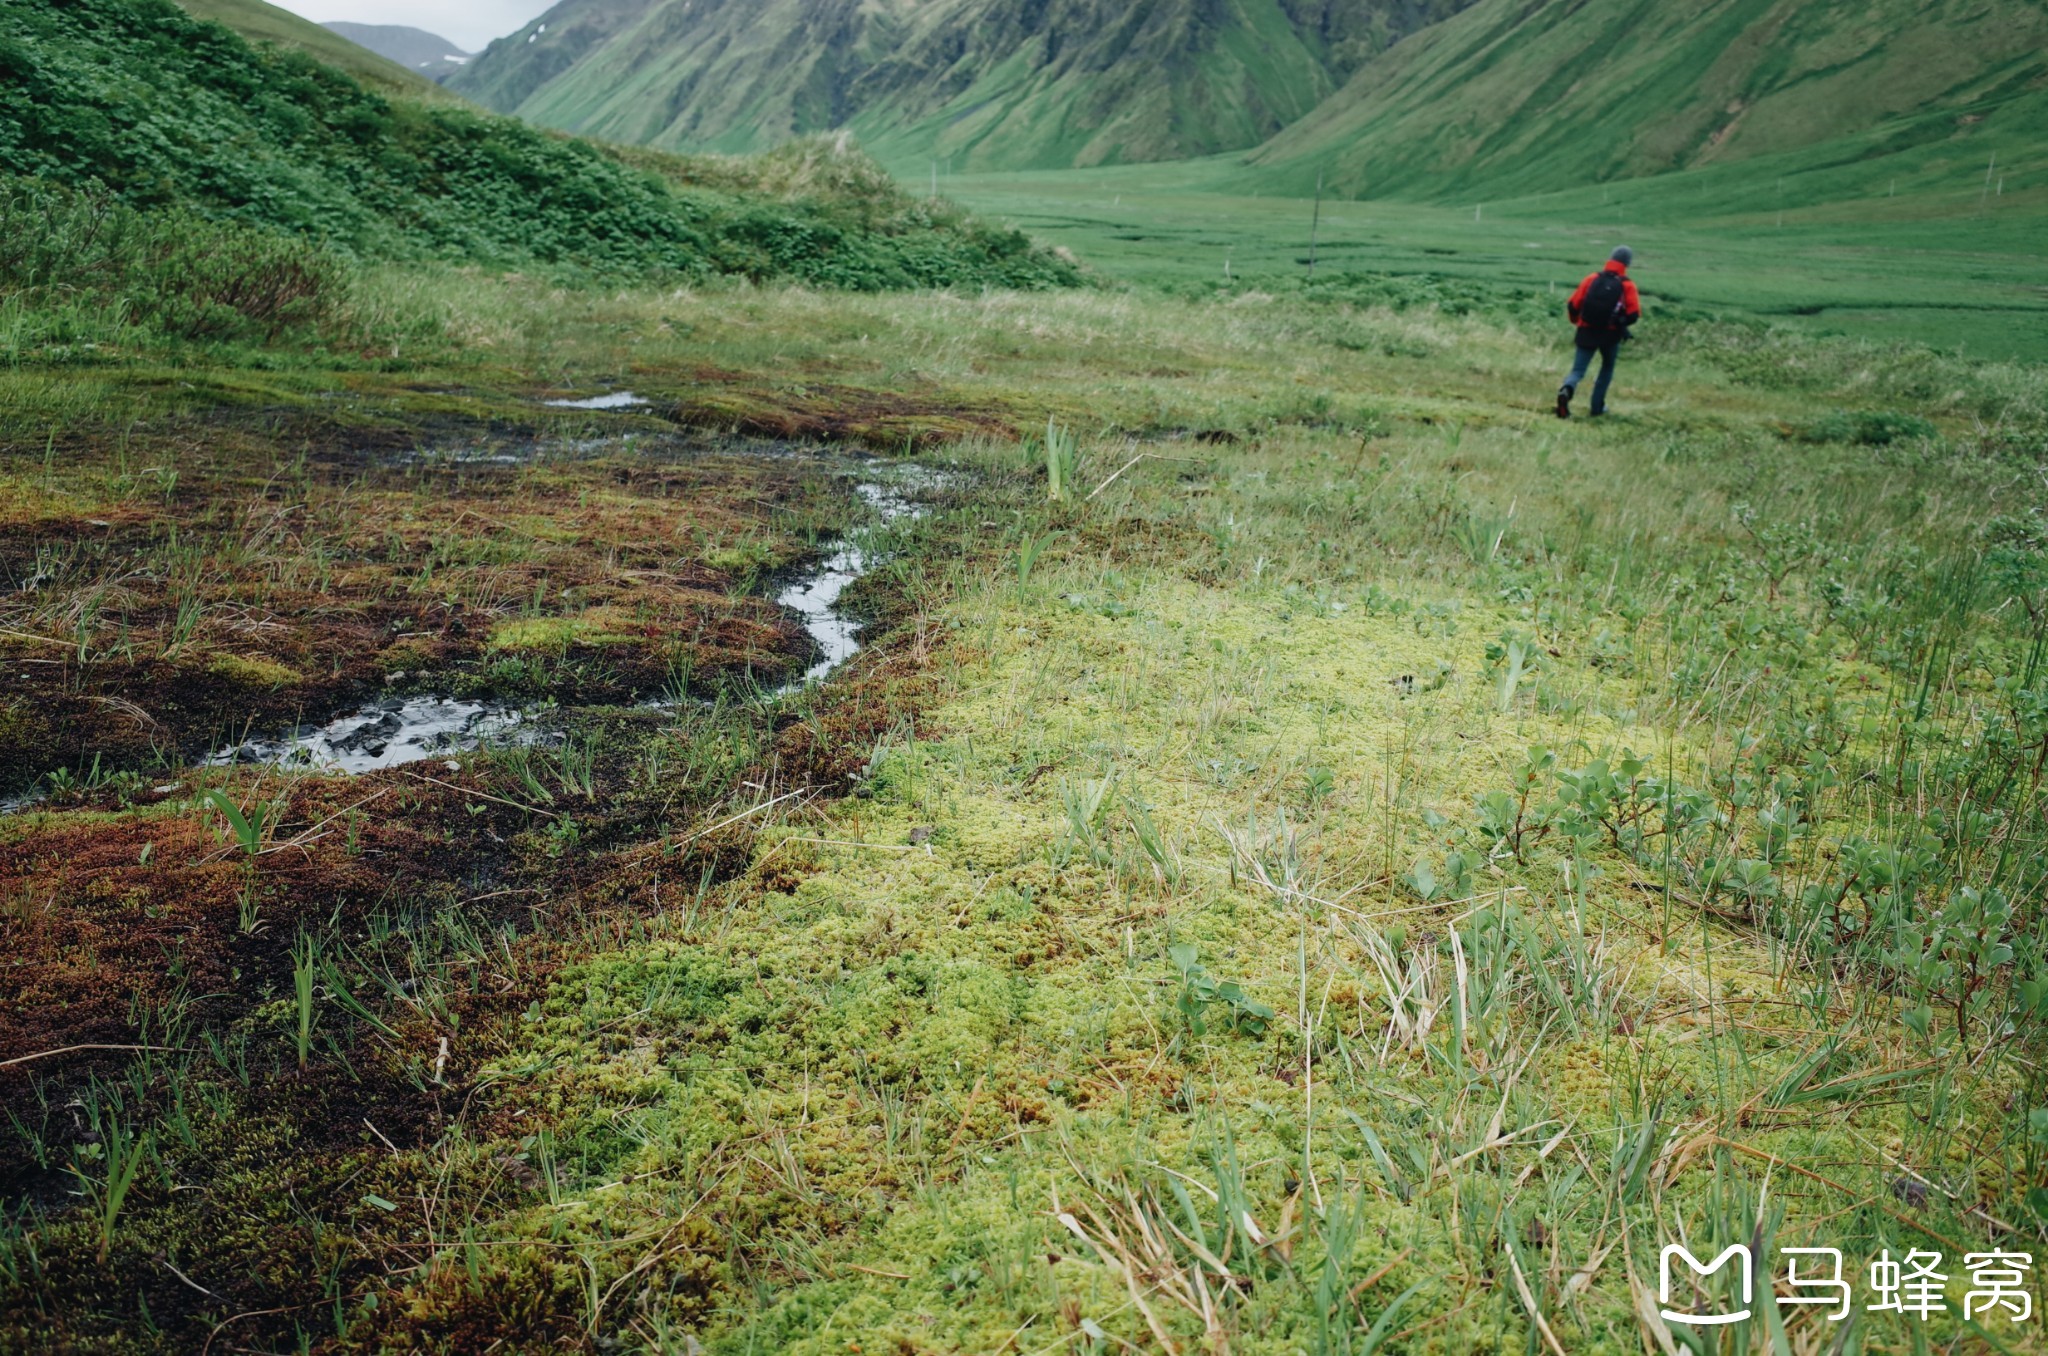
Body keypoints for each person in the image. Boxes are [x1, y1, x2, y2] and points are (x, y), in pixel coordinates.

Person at [1556, 246, 1640, 419]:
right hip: (1610, 335)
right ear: (1627, 264)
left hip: (1586, 330)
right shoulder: (1627, 285)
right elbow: (1633, 314)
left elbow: (1573, 304)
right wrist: (1620, 324)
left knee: (1578, 371)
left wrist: (1577, 322)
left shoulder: (1591, 278)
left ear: (1610, 259)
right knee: (1607, 368)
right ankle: (1597, 407)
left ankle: (1567, 389)